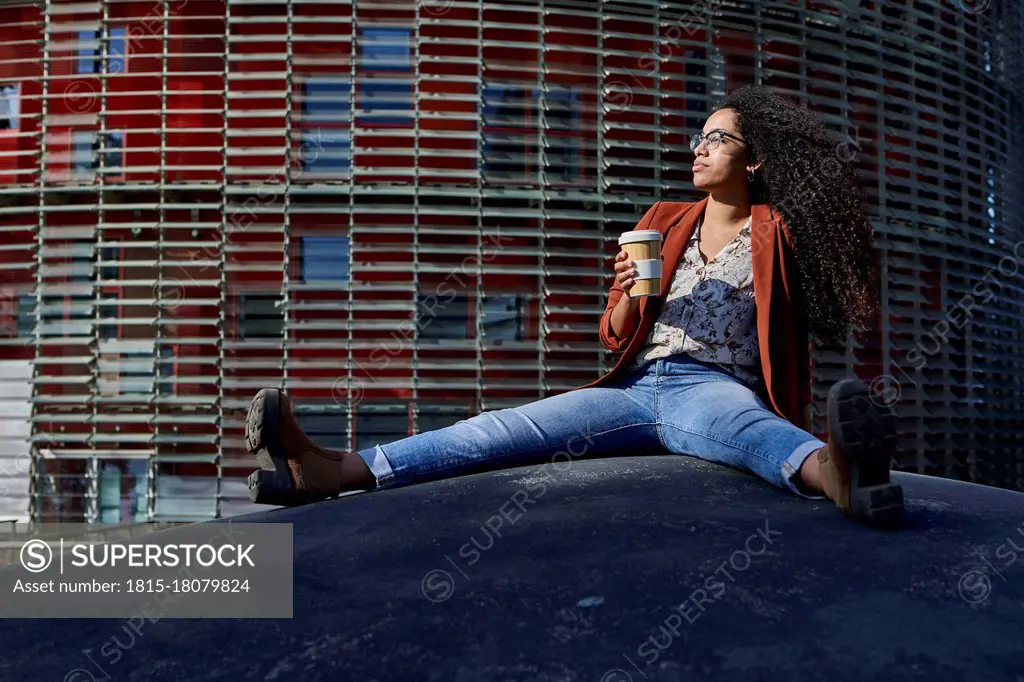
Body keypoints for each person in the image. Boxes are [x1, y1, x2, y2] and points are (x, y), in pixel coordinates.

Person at [245, 85, 904, 527]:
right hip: (635, 384)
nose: (698, 148)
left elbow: (821, 293)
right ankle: (330, 469)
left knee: (758, 437)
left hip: (716, 386)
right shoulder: (664, 219)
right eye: (699, 137)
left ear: (755, 159)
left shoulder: (779, 231)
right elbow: (616, 338)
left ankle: (843, 476)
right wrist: (630, 291)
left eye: (717, 139)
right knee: (499, 430)